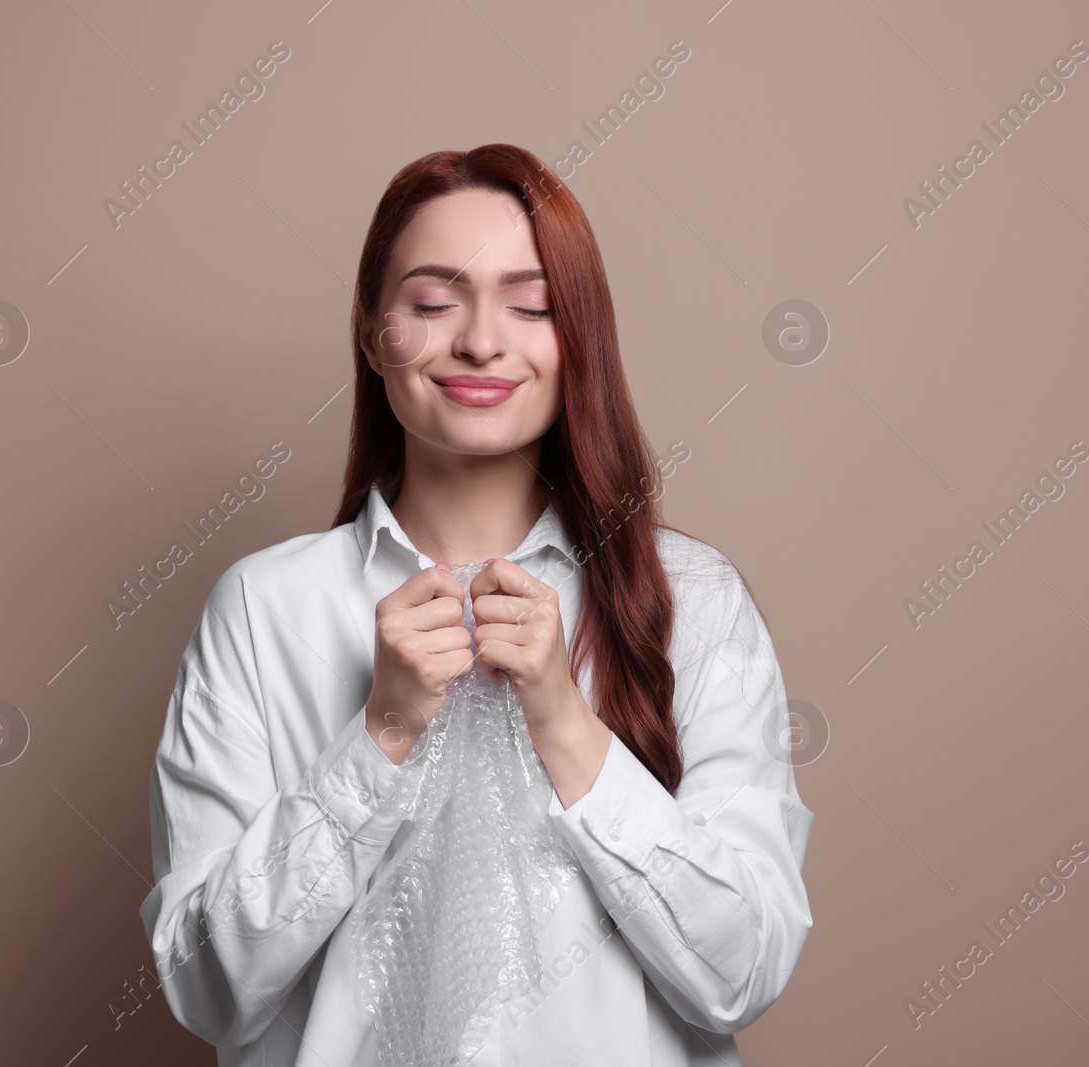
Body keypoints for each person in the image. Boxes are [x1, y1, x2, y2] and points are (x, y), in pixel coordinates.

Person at [139, 143, 815, 1066]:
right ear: (375, 335)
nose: (482, 340)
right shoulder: (264, 609)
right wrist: (376, 736)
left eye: (531, 304)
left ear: (578, 334)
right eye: (431, 303)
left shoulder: (692, 600)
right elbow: (208, 986)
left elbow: (743, 969)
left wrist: (568, 726)